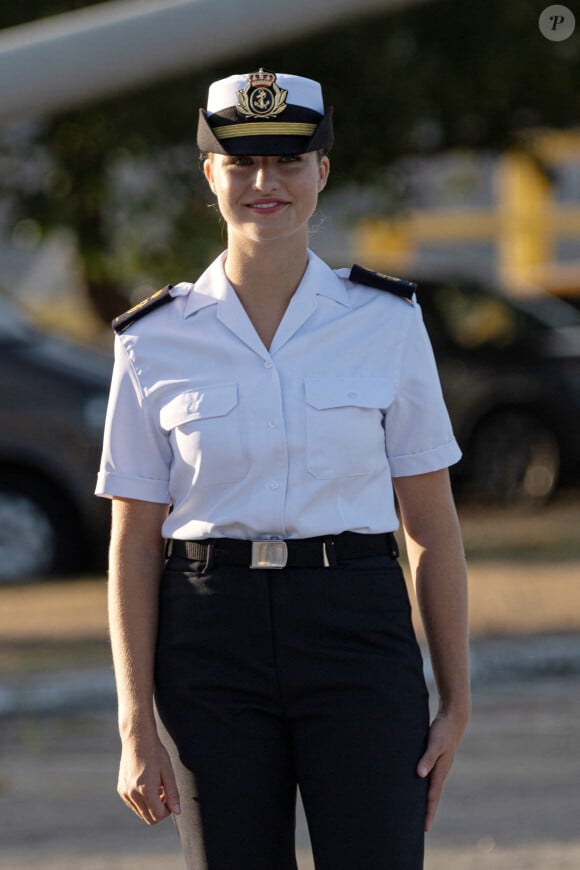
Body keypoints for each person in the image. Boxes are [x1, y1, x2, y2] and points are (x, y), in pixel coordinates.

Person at [96, 68, 470, 870]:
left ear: (323, 173)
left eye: (290, 161)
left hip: (356, 629)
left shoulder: (387, 323)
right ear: (211, 175)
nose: (266, 183)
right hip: (209, 637)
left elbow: (432, 527)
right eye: (242, 163)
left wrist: (457, 697)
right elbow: (133, 541)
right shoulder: (150, 340)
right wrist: (133, 724)